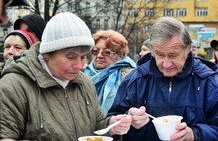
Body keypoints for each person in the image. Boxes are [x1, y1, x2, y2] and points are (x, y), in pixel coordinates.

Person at [0, 12, 132, 140]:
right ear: (47, 54)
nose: (80, 66)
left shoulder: (84, 82)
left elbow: (97, 126)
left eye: (83, 57)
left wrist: (112, 126)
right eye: (71, 57)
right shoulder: (13, 85)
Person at [108, 17, 218, 141]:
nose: (166, 64)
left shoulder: (209, 83)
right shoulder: (136, 79)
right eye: (160, 55)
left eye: (173, 55)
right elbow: (111, 121)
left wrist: (194, 134)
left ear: (189, 49)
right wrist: (126, 121)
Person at [83, 30, 136, 115]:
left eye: (107, 52)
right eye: (96, 51)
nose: (99, 56)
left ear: (120, 55)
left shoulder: (129, 76)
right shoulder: (82, 74)